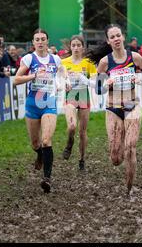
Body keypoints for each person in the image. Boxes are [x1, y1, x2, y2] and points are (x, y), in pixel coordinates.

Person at [85, 24, 142, 195]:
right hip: (113, 107)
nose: (116, 39)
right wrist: (106, 84)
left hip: (132, 105)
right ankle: (120, 146)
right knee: (116, 158)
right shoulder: (104, 62)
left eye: (118, 35)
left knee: (131, 147)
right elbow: (97, 90)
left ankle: (129, 188)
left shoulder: (136, 58)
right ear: (108, 41)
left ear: (123, 37)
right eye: (113, 37)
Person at [14, 28, 67, 193]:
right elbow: (16, 80)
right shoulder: (29, 59)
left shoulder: (56, 59)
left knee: (46, 141)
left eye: (43, 39)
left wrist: (65, 81)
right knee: (35, 144)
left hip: (49, 103)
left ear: (47, 41)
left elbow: (62, 72)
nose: (40, 42)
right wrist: (33, 76)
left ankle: (47, 178)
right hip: (32, 104)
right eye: (37, 39)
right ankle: (40, 155)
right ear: (33, 42)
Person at [61, 35, 97, 171]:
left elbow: (95, 83)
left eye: (78, 45)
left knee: (82, 132)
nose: (76, 48)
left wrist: (84, 79)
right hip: (70, 97)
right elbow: (58, 80)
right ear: (70, 47)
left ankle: (82, 159)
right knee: (71, 127)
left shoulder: (88, 63)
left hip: (84, 98)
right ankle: (70, 142)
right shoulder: (64, 63)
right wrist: (64, 83)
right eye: (73, 45)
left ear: (83, 47)